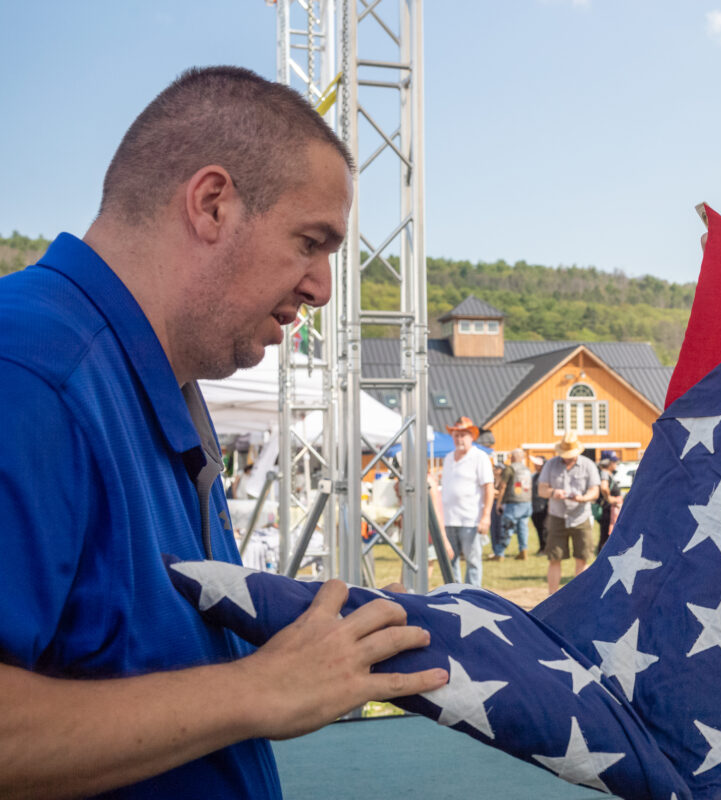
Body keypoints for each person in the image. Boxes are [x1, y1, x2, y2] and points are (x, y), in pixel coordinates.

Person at [0, 66, 447, 798]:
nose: (323, 287)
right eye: (311, 241)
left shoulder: (143, 377)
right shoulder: (29, 374)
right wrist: (259, 690)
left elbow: (126, 647)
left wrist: (302, 632)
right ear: (212, 205)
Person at [537, 433, 600, 595]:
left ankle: (580, 597)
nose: (567, 458)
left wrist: (583, 498)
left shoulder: (588, 465)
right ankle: (552, 597)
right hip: (557, 517)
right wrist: (553, 492)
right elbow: (541, 489)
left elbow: (595, 491)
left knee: (582, 558)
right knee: (554, 558)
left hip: (581, 517)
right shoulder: (551, 465)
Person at [439, 416, 494, 586]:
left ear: (472, 436)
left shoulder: (480, 457)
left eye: (463, 435)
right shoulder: (448, 458)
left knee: (473, 561)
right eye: (456, 435)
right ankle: (454, 594)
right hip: (449, 518)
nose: (459, 439)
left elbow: (488, 487)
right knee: (450, 561)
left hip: (471, 518)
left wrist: (486, 516)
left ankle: (473, 595)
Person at [493, 449, 534, 561]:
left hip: (513, 502)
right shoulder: (527, 469)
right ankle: (523, 550)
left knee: (507, 527)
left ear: (512, 457)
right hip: (526, 502)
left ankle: (500, 553)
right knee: (522, 527)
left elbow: (503, 486)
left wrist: (499, 503)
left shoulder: (510, 469)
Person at [595, 452, 622, 554]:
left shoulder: (607, 473)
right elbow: (603, 487)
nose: (616, 463)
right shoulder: (605, 473)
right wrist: (610, 499)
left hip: (609, 509)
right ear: (608, 462)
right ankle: (602, 554)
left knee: (606, 534)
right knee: (606, 534)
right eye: (614, 461)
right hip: (607, 509)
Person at [530, 455, 549, 555]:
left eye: (537, 464)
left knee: (545, 528)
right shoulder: (534, 476)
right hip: (535, 507)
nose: (535, 465)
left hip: (544, 507)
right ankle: (542, 547)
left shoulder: (546, 477)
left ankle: (545, 548)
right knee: (539, 528)